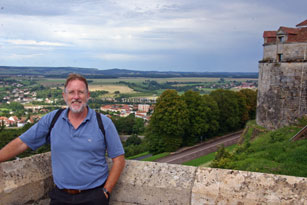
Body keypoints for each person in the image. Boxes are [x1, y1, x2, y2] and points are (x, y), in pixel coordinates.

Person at [0, 73, 125, 205]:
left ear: (88, 95)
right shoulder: (52, 119)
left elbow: (119, 160)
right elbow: (22, 143)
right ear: (64, 96)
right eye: (71, 92)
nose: (76, 97)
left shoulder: (103, 123)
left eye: (81, 92)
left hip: (94, 196)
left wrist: (106, 191)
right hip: (61, 197)